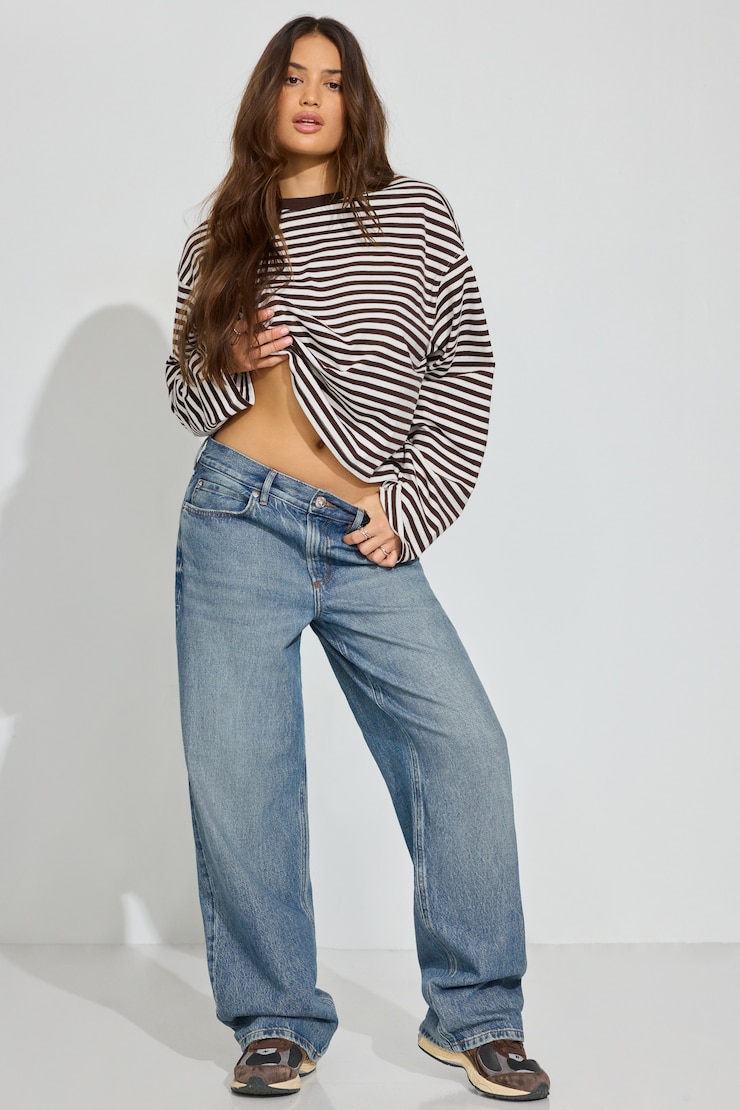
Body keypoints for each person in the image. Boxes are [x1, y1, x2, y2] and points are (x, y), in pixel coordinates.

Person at [165, 15, 550, 1102]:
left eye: (331, 81)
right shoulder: (221, 236)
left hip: (361, 532)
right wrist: (229, 357)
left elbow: (462, 366)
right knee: (244, 777)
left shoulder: (413, 215)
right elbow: (183, 391)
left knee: (463, 748)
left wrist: (412, 505)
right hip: (235, 518)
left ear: (355, 102)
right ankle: (274, 1020)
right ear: (266, 96)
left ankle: (476, 1015)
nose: (310, 96)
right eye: (292, 77)